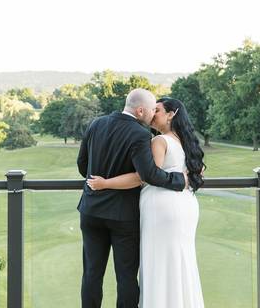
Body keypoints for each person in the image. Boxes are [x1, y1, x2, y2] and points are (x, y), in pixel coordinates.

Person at [87, 96, 206, 308]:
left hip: (160, 207)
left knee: (158, 262)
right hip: (185, 206)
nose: (153, 114)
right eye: (152, 109)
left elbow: (145, 176)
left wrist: (105, 183)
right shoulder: (185, 141)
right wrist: (184, 179)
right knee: (179, 260)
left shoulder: (158, 140)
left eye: (157, 110)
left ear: (171, 114)